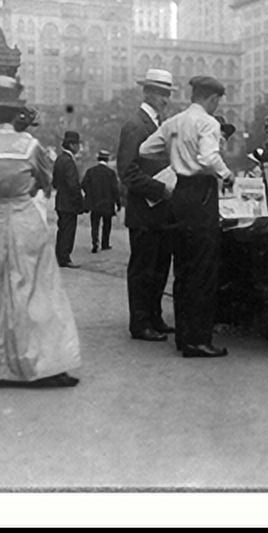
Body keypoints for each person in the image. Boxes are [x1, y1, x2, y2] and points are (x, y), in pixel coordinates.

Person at [0, 76, 80, 388]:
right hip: (26, 221)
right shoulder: (30, 146)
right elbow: (45, 182)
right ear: (16, 113)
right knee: (37, 294)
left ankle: (2, 365)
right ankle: (40, 362)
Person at [139, 75, 234, 358]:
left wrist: (176, 154)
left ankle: (184, 337)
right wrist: (226, 174)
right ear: (212, 99)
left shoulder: (174, 122)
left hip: (179, 195)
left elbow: (145, 149)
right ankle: (199, 340)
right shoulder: (209, 123)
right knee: (203, 269)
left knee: (183, 269)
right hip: (201, 195)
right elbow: (208, 158)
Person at [117, 68, 176, 342]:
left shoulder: (157, 124)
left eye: (167, 93)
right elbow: (127, 172)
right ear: (148, 92)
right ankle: (140, 323)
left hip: (159, 211)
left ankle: (154, 318)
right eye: (161, 93)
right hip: (144, 211)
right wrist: (159, 188)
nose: (165, 99)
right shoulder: (135, 125)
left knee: (159, 267)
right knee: (143, 269)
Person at [52, 130, 84, 268]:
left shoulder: (59, 160)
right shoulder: (69, 162)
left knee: (62, 230)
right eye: (77, 144)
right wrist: (80, 202)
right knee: (69, 231)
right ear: (72, 145)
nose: (79, 147)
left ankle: (59, 256)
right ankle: (65, 258)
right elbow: (73, 185)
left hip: (60, 200)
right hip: (69, 202)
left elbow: (54, 182)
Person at [81, 149, 120, 253]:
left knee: (95, 224)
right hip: (107, 203)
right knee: (107, 224)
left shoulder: (90, 171)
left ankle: (95, 243)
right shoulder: (111, 173)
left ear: (98, 158)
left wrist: (89, 195)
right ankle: (105, 243)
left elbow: (84, 184)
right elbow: (115, 189)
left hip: (94, 203)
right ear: (107, 160)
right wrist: (118, 203)